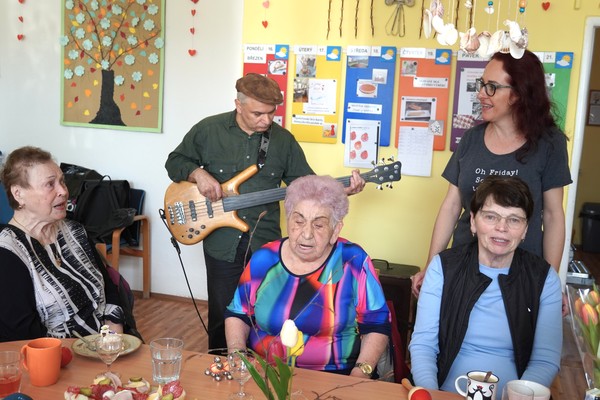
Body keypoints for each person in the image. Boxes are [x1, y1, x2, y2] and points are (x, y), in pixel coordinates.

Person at [165, 73, 365, 351]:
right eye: (258, 113)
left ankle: (262, 369)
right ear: (238, 105)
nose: (266, 120)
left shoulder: (283, 141)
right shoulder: (208, 130)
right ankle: (222, 369)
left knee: (267, 311)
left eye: (271, 113)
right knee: (222, 313)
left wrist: (341, 190)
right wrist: (198, 174)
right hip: (222, 241)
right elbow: (174, 161)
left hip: (266, 242)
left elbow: (308, 187)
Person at [411, 50, 572, 301]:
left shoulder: (549, 143)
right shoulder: (471, 139)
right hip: (464, 269)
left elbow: (553, 216)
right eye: (482, 84)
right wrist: (431, 267)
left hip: (522, 275)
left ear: (519, 93)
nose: (481, 94)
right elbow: (451, 206)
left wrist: (550, 283)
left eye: (492, 87)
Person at [409, 176, 562, 397]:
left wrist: (519, 395)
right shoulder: (442, 267)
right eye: (491, 217)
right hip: (444, 392)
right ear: (473, 221)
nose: (501, 228)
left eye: (514, 220)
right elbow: (423, 345)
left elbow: (545, 360)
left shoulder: (544, 278)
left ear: (525, 229)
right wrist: (432, 395)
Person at [224, 175, 390, 377]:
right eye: (299, 221)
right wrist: (238, 356)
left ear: (335, 230)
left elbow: (376, 324)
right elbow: (238, 314)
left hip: (335, 376)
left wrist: (361, 373)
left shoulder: (353, 261)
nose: (307, 234)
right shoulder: (265, 259)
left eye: (318, 225)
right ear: (288, 221)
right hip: (266, 374)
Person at [0, 146, 124, 341]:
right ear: (18, 194)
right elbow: (25, 335)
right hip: (57, 355)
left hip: (107, 345)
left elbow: (109, 289)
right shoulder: (8, 252)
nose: (64, 191)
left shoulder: (74, 231)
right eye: (50, 184)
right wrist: (89, 352)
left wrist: (113, 341)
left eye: (62, 181)